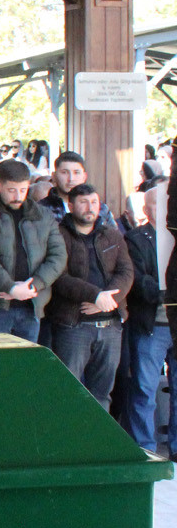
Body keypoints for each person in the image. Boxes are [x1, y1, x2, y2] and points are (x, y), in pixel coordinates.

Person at [47, 183, 133, 409]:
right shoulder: (58, 235)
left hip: (110, 325)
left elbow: (126, 272)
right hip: (73, 325)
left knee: (102, 395)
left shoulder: (112, 235)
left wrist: (106, 301)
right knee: (67, 392)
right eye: (83, 202)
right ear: (71, 205)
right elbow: (59, 276)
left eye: (94, 202)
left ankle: (97, 434)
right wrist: (96, 296)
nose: (90, 207)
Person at [0, 158, 65, 343]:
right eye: (12, 190)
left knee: (27, 358)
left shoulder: (42, 215)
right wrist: (10, 287)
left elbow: (58, 256)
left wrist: (33, 285)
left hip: (32, 302)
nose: (18, 196)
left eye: (23, 190)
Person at [120, 186, 169, 450]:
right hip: (151, 326)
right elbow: (140, 283)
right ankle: (144, 450)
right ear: (146, 209)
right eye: (158, 204)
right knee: (144, 390)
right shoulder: (135, 239)